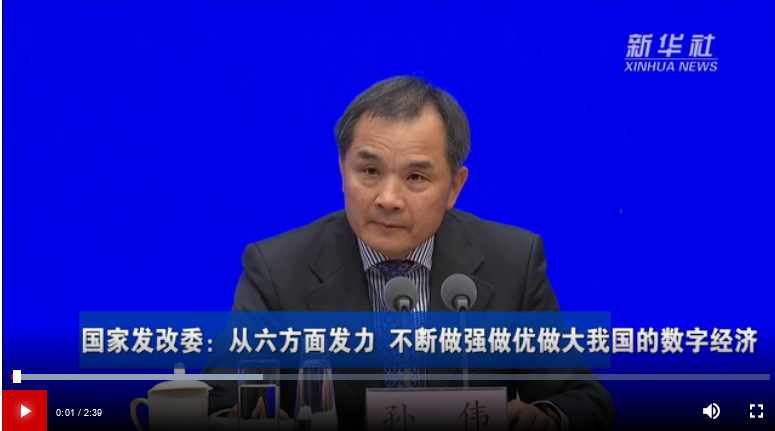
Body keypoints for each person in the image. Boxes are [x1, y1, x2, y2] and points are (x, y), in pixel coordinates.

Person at [204, 76, 615, 430]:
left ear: (454, 186)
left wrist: (545, 417)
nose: (388, 198)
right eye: (370, 171)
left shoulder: (512, 261)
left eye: (416, 177)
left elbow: (583, 397)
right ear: (342, 170)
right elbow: (218, 399)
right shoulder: (277, 270)